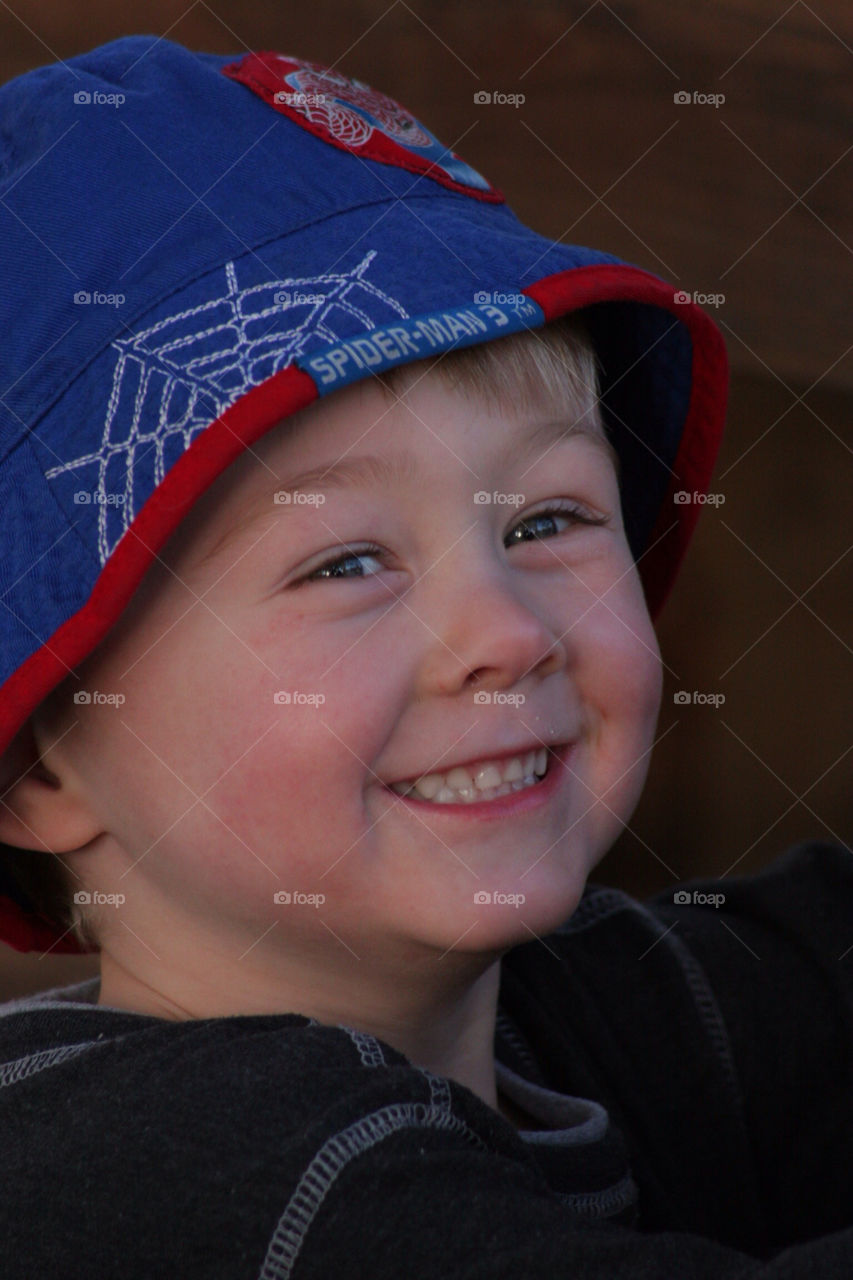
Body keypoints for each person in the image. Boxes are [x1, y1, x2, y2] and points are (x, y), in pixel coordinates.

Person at [0, 35, 850, 1278]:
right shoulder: (170, 1177)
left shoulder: (568, 1014)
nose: (505, 633)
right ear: (37, 769)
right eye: (344, 563)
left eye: (546, 520)